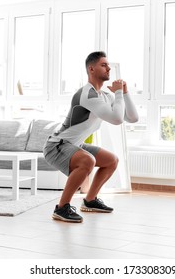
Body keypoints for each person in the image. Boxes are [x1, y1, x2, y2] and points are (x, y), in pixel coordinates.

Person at [43, 51, 139, 223]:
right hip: (57, 145)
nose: (109, 68)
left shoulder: (104, 96)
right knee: (88, 161)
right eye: (104, 65)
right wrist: (118, 94)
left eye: (108, 65)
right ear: (91, 69)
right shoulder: (87, 94)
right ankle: (62, 208)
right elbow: (116, 119)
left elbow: (132, 118)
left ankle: (90, 200)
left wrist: (124, 93)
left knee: (111, 160)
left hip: (75, 144)